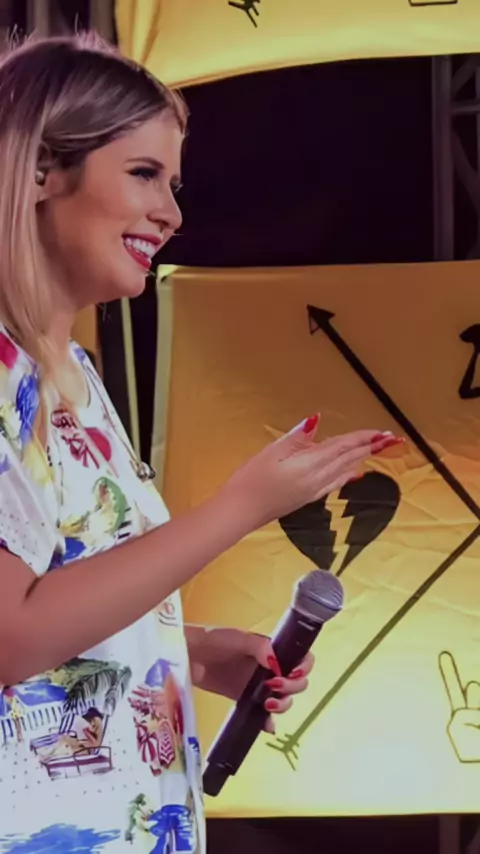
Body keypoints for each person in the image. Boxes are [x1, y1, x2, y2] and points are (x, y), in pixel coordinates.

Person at [0, 32, 402, 853]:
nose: (172, 215)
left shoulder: (76, 378)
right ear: (41, 169)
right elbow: (11, 637)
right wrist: (238, 510)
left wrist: (195, 653)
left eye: (174, 184)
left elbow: (63, 614)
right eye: (143, 174)